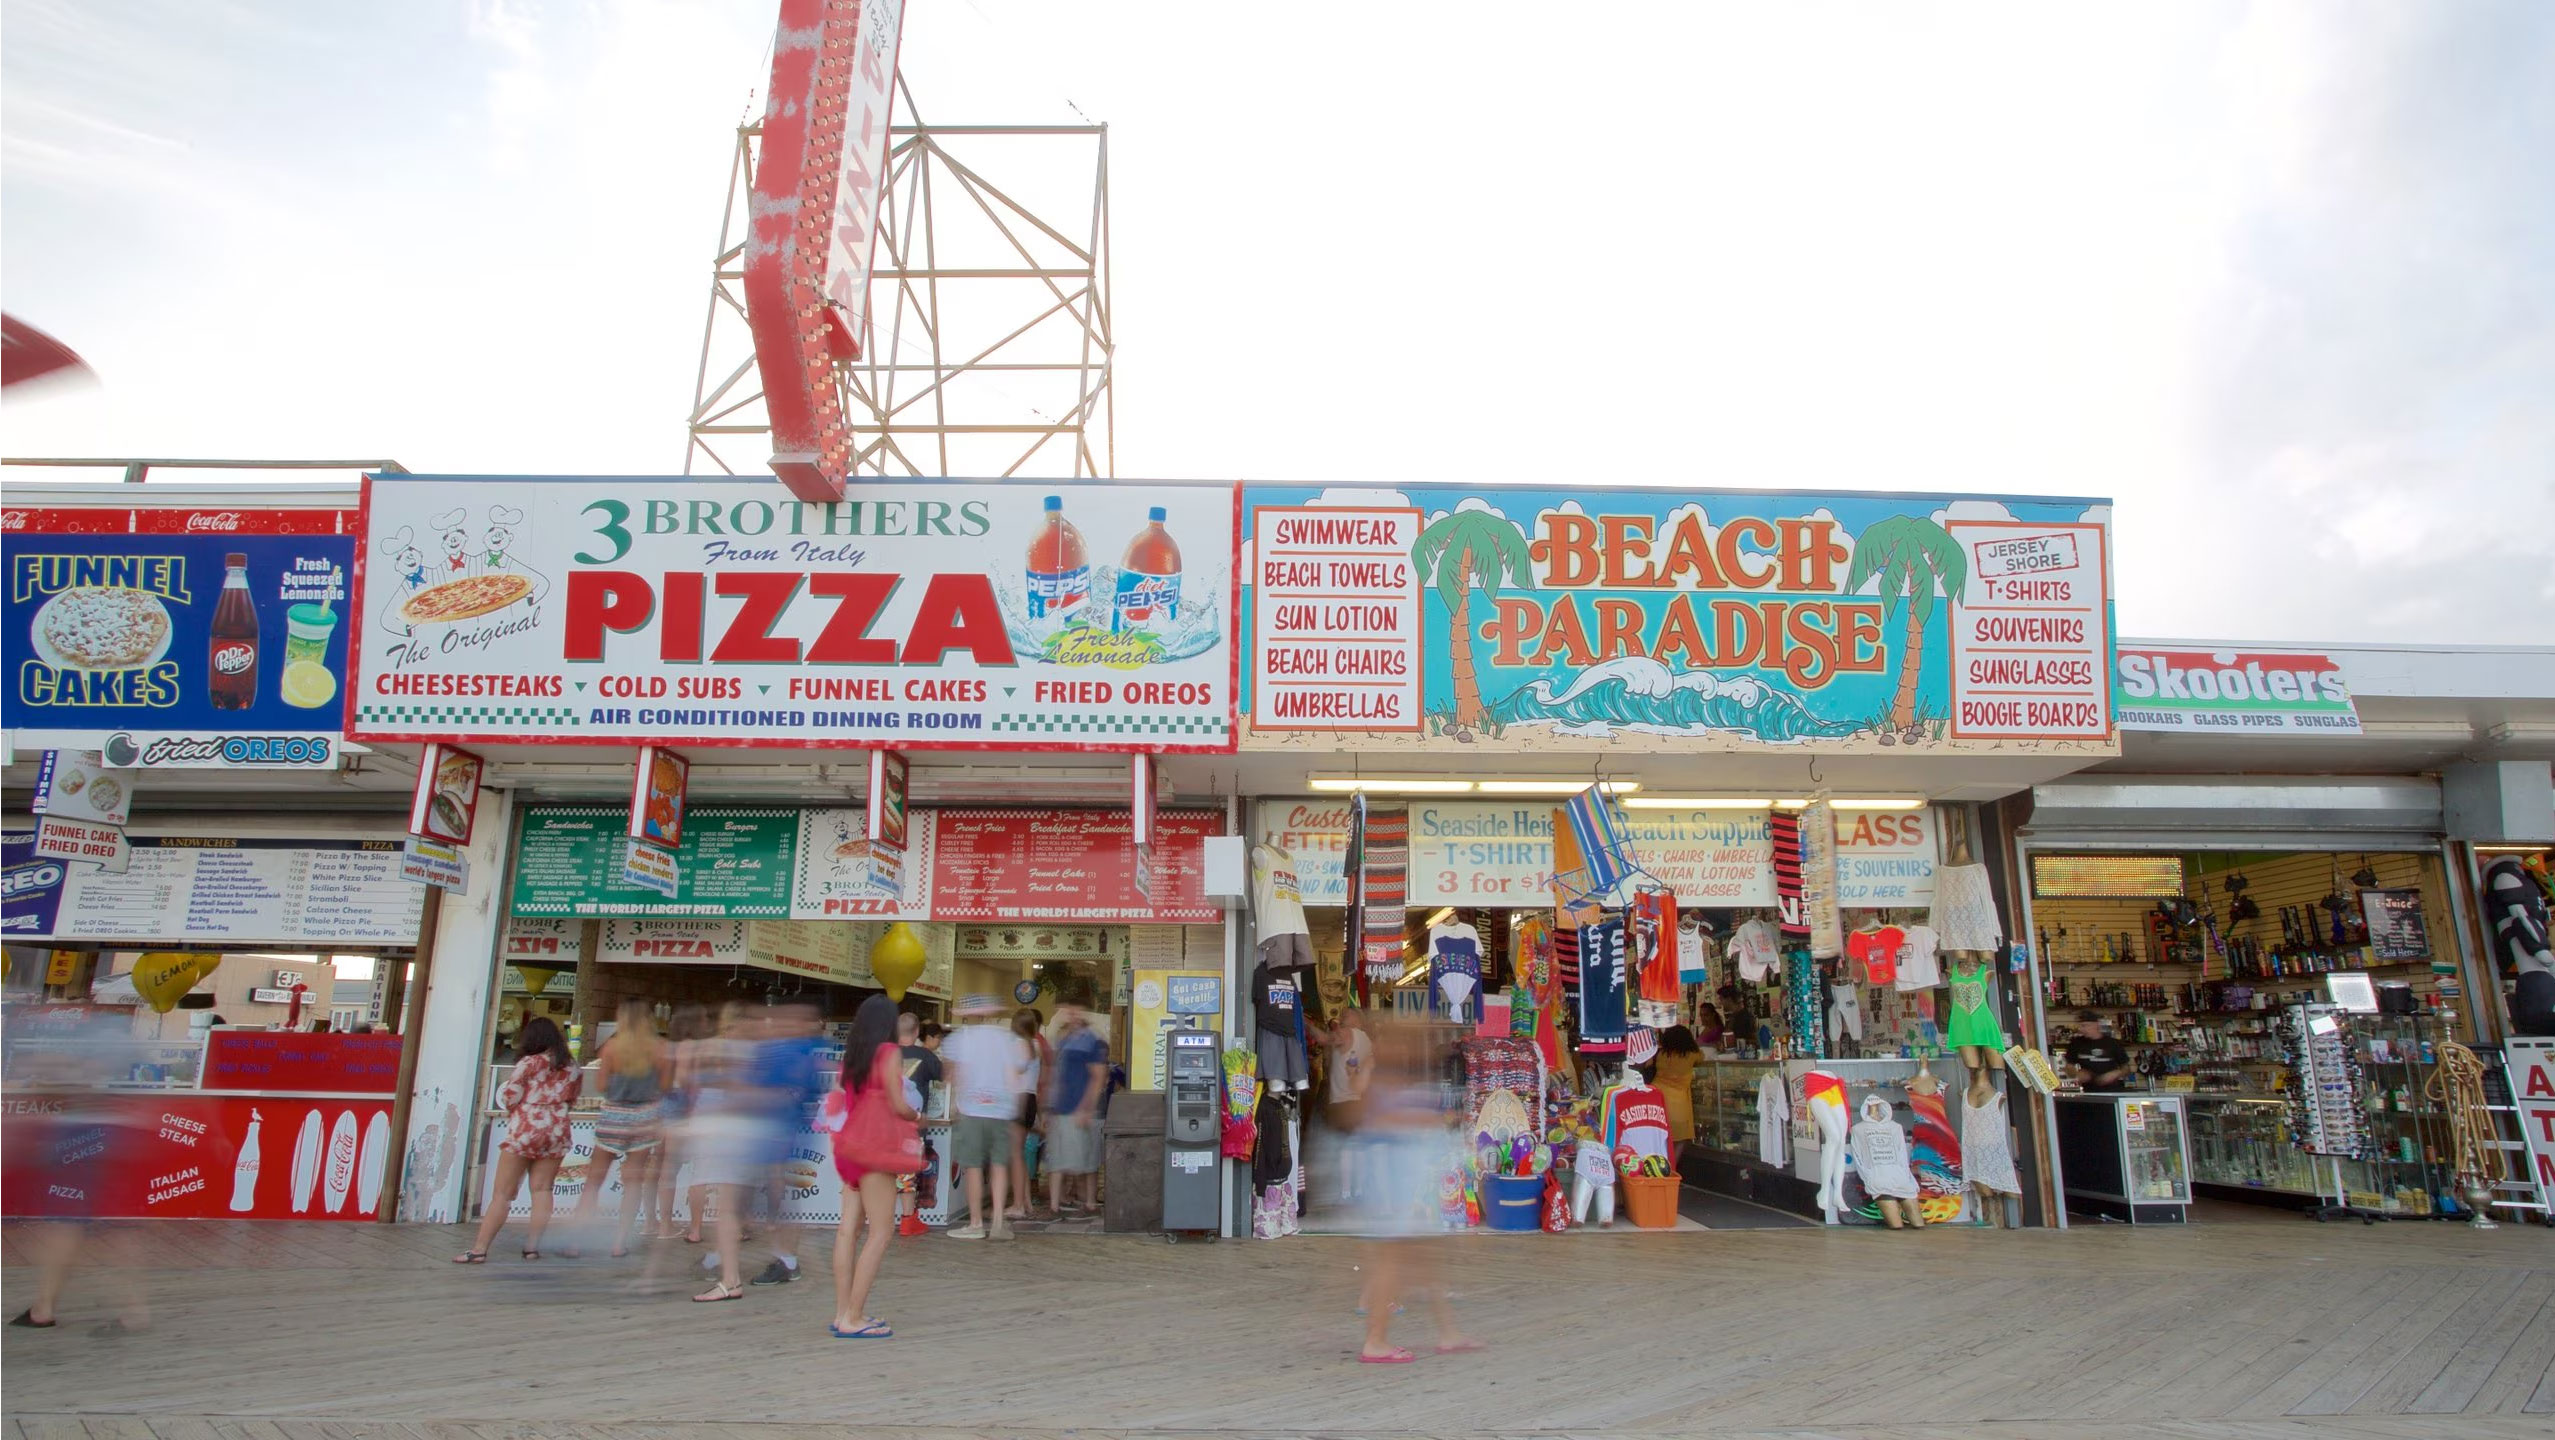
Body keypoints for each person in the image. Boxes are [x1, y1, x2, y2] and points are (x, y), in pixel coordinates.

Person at [1352, 1014, 1479, 1363]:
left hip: (1401, 1188)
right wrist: (1423, 1121)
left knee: (1423, 1262)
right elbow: (1377, 1125)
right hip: (1392, 1191)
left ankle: (1448, 1333)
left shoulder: (1390, 1082)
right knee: (1392, 1265)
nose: (1407, 1048)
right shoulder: (1379, 1082)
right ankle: (1376, 1340)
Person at [456, 1016, 582, 1264]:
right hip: (556, 1130)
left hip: (525, 1130)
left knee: (503, 1194)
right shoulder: (571, 1066)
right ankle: (532, 1247)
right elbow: (573, 1098)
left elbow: (511, 1097)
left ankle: (480, 1249)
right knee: (543, 1189)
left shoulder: (529, 1063)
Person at [828, 995, 918, 1339]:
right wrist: (916, 1116)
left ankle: (842, 1312)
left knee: (847, 1230)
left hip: (848, 1146)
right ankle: (854, 1316)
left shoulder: (852, 1057)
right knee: (881, 1231)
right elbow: (898, 1104)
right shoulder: (889, 1052)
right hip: (875, 1147)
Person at [563, 1000, 666, 1257]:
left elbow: (600, 1085)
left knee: (593, 1182)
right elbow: (665, 1086)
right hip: (644, 1118)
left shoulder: (610, 1049)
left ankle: (576, 1241)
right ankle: (620, 1242)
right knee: (632, 1183)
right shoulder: (660, 1049)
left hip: (614, 1115)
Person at [747, 1004, 826, 1286]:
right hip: (780, 1133)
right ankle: (783, 1258)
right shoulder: (797, 1051)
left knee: (780, 1199)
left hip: (779, 1133)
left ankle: (784, 1260)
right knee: (779, 1199)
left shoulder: (788, 1052)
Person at [942, 995, 1029, 1240]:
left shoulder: (959, 1039)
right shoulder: (1007, 1038)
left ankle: (976, 1223)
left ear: (965, 1015)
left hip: (972, 1109)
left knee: (973, 1167)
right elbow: (1016, 1073)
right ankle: (999, 1221)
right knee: (999, 1165)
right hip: (1001, 1110)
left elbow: (952, 1075)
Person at [1043, 1004, 1110, 1215]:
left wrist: (1086, 1108)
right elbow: (1055, 1076)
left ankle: (1087, 1202)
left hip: (1076, 1110)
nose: (1070, 1014)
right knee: (1056, 1160)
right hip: (1060, 1108)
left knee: (1083, 1160)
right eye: (1066, 1010)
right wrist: (1048, 1107)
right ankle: (1054, 1206)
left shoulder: (1092, 1041)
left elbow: (1098, 1076)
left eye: (1074, 1010)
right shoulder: (1063, 1040)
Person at [653, 1005, 712, 1241]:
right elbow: (691, 1082)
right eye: (704, 1019)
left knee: (668, 1170)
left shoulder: (666, 1048)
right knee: (699, 1171)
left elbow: (661, 1083)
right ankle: (695, 1228)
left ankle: (665, 1225)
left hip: (667, 1106)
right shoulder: (693, 1048)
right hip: (687, 1107)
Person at [1007, 1008, 1048, 1219]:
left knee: (1015, 1155)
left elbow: (1012, 1074)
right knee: (1020, 1154)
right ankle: (1026, 1202)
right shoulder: (1035, 1045)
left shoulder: (1017, 1045)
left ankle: (1018, 1205)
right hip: (1030, 1100)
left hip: (1017, 1099)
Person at [1653, 1024, 1702, 1145]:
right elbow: (1702, 1058)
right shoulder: (1692, 1055)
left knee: (1660, 1138)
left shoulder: (1661, 1054)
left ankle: (1661, 1162)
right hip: (1678, 1104)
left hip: (1657, 1099)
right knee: (1681, 1138)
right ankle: (1672, 1163)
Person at [2064, 1011, 2134, 1092]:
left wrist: (2116, 1073)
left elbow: (2126, 1069)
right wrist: (2076, 1075)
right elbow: (2069, 1067)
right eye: (2081, 1026)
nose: (2082, 1029)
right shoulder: (2076, 1043)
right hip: (2088, 1093)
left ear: (2096, 1024)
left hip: (2112, 1092)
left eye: (2086, 1025)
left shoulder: (2113, 1043)